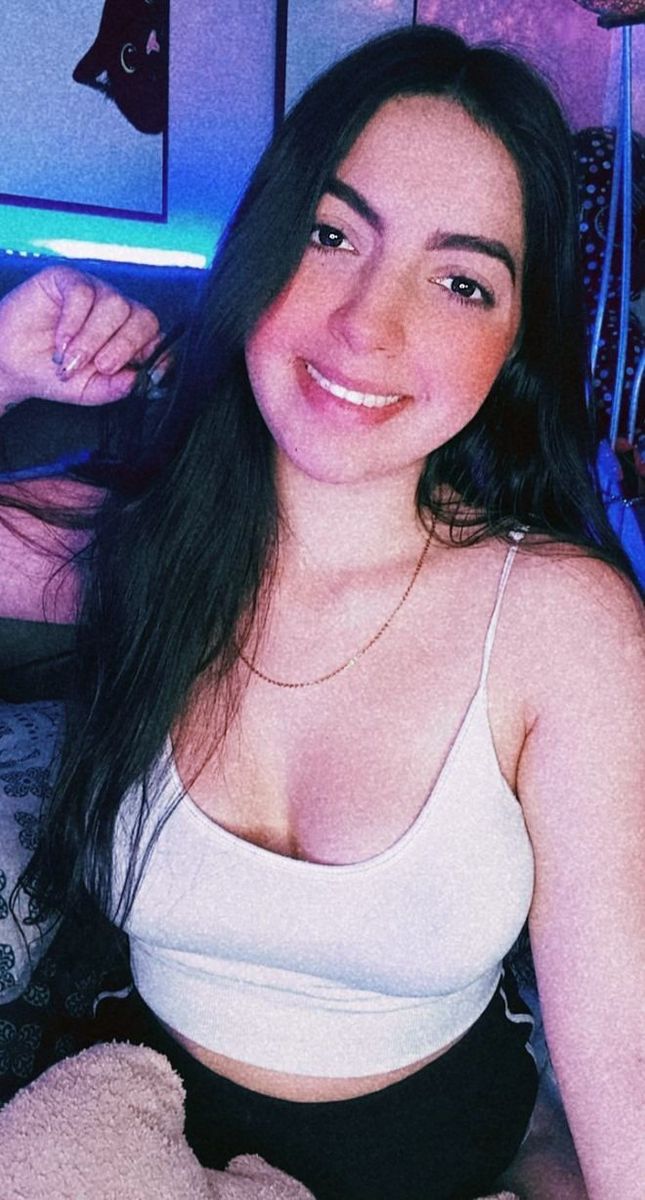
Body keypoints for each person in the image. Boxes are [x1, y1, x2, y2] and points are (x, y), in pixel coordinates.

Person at [1, 24, 643, 1200]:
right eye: (330, 233)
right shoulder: (131, 547)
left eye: (462, 281)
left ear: (515, 343)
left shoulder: (564, 627)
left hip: (449, 1163)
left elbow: (626, 1057)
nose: (366, 324)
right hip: (143, 1137)